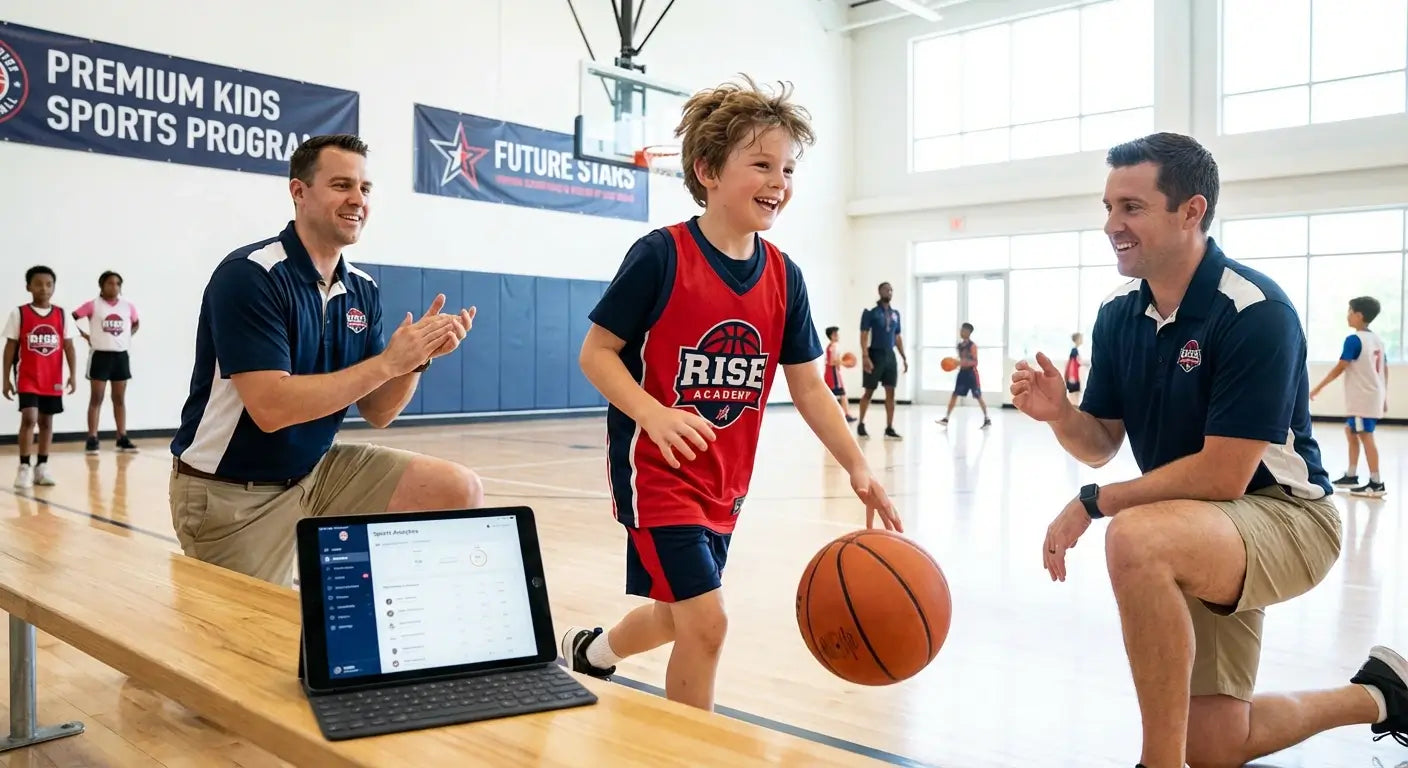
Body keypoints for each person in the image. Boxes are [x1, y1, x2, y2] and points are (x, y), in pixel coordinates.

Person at [1010, 132, 1406, 768]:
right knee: (1217, 745)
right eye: (1108, 207)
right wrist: (1062, 416)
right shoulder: (1118, 317)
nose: (1112, 224)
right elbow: (1101, 444)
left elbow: (1225, 474)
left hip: (1287, 516)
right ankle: (1382, 695)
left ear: (1191, 211)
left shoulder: (1255, 310)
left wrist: (1093, 504)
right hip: (1194, 522)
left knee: (1135, 537)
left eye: (1131, 208)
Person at [559, 75, 902, 713]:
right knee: (708, 623)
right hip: (656, 470)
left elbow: (808, 384)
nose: (780, 181)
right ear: (708, 170)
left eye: (789, 168)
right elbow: (596, 354)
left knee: (676, 614)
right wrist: (654, 415)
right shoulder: (661, 255)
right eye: (762, 164)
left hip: (726, 479)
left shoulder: (783, 276)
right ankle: (691, 752)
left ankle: (591, 652)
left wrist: (858, 466)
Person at [168, 134, 485, 588]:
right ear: (299, 191)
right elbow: (272, 408)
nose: (358, 199)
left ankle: (401, 618)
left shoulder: (362, 288)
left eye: (365, 189)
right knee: (253, 650)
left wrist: (416, 361)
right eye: (341, 185)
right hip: (232, 494)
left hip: (316, 472)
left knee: (459, 489)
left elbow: (378, 413)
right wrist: (389, 362)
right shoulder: (250, 276)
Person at [4, 266, 78, 489]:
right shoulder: (20, 313)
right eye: (38, 284)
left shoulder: (62, 315)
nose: (44, 288)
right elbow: (9, 348)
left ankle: (42, 466)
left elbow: (69, 348)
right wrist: (5, 377)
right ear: (28, 286)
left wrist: (73, 375)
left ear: (54, 287)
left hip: (52, 378)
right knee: (29, 418)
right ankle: (24, 466)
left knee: (46, 422)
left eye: (48, 284)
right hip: (27, 377)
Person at [1311, 296, 1388, 498]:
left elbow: (1340, 367)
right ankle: (1352, 475)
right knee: (1350, 431)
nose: (1348, 315)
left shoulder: (1354, 340)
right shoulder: (1377, 340)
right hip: (1372, 395)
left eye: (1350, 311)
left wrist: (1317, 388)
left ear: (1359, 315)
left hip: (1363, 398)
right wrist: (1385, 396)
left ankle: (1376, 482)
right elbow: (1384, 370)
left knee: (1365, 436)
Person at [73, 270, 140, 454]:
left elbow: (135, 323)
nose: (114, 287)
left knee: (119, 398)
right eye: (110, 283)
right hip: (100, 356)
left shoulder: (128, 306)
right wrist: (86, 335)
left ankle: (122, 437)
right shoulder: (93, 305)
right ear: (102, 285)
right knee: (97, 397)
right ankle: (92, 437)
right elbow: (72, 319)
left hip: (120, 356)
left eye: (118, 283)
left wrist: (127, 336)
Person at [857, 281, 906, 440]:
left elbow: (897, 337)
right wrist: (865, 356)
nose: (889, 292)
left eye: (891, 289)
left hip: (890, 356)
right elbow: (864, 335)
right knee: (869, 392)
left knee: (890, 392)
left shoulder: (895, 314)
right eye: (886, 289)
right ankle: (861, 424)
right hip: (875, 354)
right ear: (880, 292)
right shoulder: (871, 313)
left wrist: (904, 357)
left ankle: (889, 428)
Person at [937, 322, 990, 429]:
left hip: (971, 374)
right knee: (955, 394)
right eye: (961, 330)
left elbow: (974, 362)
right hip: (962, 373)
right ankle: (946, 418)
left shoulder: (972, 346)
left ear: (968, 332)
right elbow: (960, 360)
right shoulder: (960, 346)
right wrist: (953, 363)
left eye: (963, 330)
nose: (961, 332)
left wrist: (960, 362)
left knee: (978, 396)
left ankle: (987, 419)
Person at [823, 325, 857, 423]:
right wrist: (847, 363)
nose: (838, 335)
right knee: (841, 394)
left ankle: (840, 414)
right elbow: (832, 362)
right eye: (836, 334)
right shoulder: (833, 347)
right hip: (833, 374)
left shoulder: (831, 346)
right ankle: (846, 415)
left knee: (833, 395)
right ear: (832, 336)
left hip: (833, 373)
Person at [1064, 331, 1087, 405]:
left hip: (1075, 375)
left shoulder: (1075, 350)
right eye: (1081, 338)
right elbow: (1074, 364)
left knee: (1075, 395)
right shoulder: (1074, 351)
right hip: (1074, 376)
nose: (1082, 340)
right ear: (1077, 340)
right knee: (1074, 396)